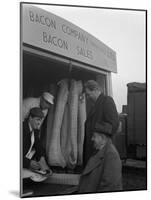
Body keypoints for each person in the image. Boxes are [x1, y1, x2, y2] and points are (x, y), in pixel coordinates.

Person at [83, 80, 119, 166]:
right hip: (94, 147)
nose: (88, 97)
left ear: (95, 90)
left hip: (101, 148)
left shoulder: (107, 101)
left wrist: (96, 131)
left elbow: (114, 125)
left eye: (88, 94)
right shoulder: (95, 105)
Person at [23, 107, 51, 173]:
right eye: (37, 120)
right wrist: (28, 163)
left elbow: (39, 146)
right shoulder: (22, 129)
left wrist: (42, 158)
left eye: (40, 120)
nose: (39, 123)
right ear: (30, 118)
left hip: (27, 159)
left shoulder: (35, 130)